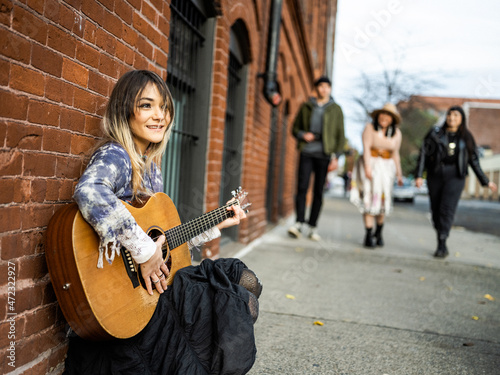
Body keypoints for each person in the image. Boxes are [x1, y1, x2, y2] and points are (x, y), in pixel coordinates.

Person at [64, 70, 262, 374]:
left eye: (164, 107)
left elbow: (164, 241)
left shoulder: (152, 168)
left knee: (239, 281)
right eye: (146, 106)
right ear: (124, 110)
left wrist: (217, 224)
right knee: (230, 302)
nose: (159, 116)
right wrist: (144, 252)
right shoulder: (116, 154)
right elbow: (90, 192)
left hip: (151, 294)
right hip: (125, 301)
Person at [415, 105, 497, 258]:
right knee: (436, 211)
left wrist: (485, 181)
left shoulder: (466, 137)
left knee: (447, 208)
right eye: (450, 115)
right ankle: (441, 237)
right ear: (446, 117)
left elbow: (474, 162)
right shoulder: (435, 133)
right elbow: (424, 154)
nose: (452, 118)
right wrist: (419, 175)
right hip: (436, 174)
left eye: (456, 116)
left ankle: (442, 242)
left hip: (456, 176)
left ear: (461, 119)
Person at [287, 76, 345, 241]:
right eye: (321, 86)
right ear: (317, 88)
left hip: (324, 154)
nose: (324, 89)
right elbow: (294, 128)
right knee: (302, 187)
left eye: (327, 87)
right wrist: (303, 134)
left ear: (330, 89)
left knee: (319, 191)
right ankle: (298, 223)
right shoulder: (306, 106)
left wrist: (337, 157)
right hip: (307, 151)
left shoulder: (336, 109)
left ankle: (312, 227)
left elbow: (341, 136)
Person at [349, 103, 403, 248]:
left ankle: (378, 232)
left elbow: (395, 154)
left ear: (392, 119)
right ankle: (368, 234)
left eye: (388, 115)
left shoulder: (396, 133)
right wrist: (367, 167)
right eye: (382, 114)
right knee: (369, 199)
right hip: (371, 166)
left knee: (382, 201)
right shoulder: (369, 128)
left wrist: (399, 173)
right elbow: (366, 148)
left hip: (386, 170)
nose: (384, 117)